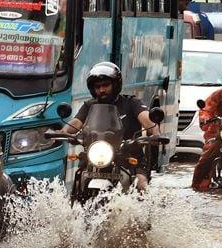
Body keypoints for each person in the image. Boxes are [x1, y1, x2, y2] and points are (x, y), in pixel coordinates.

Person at [54, 61, 161, 190]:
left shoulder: (132, 103)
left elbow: (145, 117)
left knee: (141, 183)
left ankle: (143, 209)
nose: (101, 90)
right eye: (97, 87)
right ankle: (74, 206)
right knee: (79, 179)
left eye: (106, 85)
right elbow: (77, 122)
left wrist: (155, 132)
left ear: (115, 85)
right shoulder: (89, 105)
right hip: (95, 156)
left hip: (129, 156)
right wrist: (63, 131)